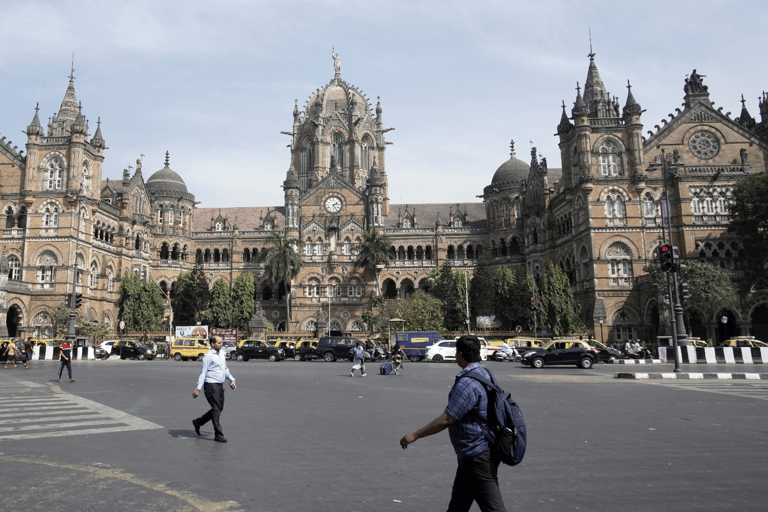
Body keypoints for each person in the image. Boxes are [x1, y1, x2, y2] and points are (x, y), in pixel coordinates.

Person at [400, 335, 507, 512]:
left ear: (461, 354)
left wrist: (415, 435)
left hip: (477, 455)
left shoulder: (467, 383)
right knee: (458, 505)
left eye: (457, 352)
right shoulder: (485, 373)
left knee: (493, 508)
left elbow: (447, 419)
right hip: (476, 451)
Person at [192, 336, 236, 443]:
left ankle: (198, 422)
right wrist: (198, 388)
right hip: (211, 386)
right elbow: (203, 373)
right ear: (212, 344)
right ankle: (218, 434)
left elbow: (224, 369)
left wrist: (231, 379)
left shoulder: (221, 353)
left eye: (222, 343)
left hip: (219, 385)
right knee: (216, 409)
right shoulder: (208, 356)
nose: (221, 345)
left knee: (219, 408)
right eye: (219, 343)